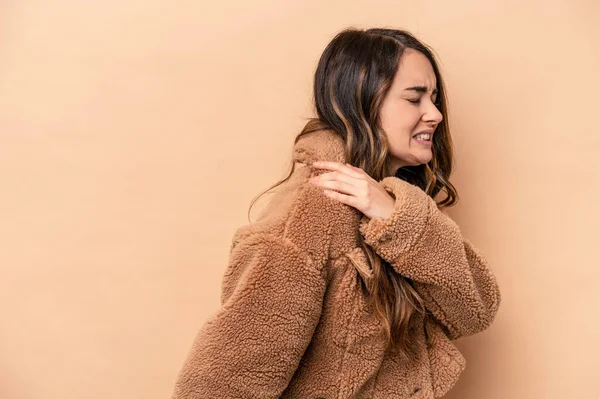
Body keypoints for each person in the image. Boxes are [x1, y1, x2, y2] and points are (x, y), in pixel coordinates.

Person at [170, 27, 501, 398]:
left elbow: (474, 309)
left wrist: (396, 216)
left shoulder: (398, 211)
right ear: (362, 103)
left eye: (435, 98)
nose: (435, 114)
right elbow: (226, 380)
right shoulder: (313, 211)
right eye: (415, 99)